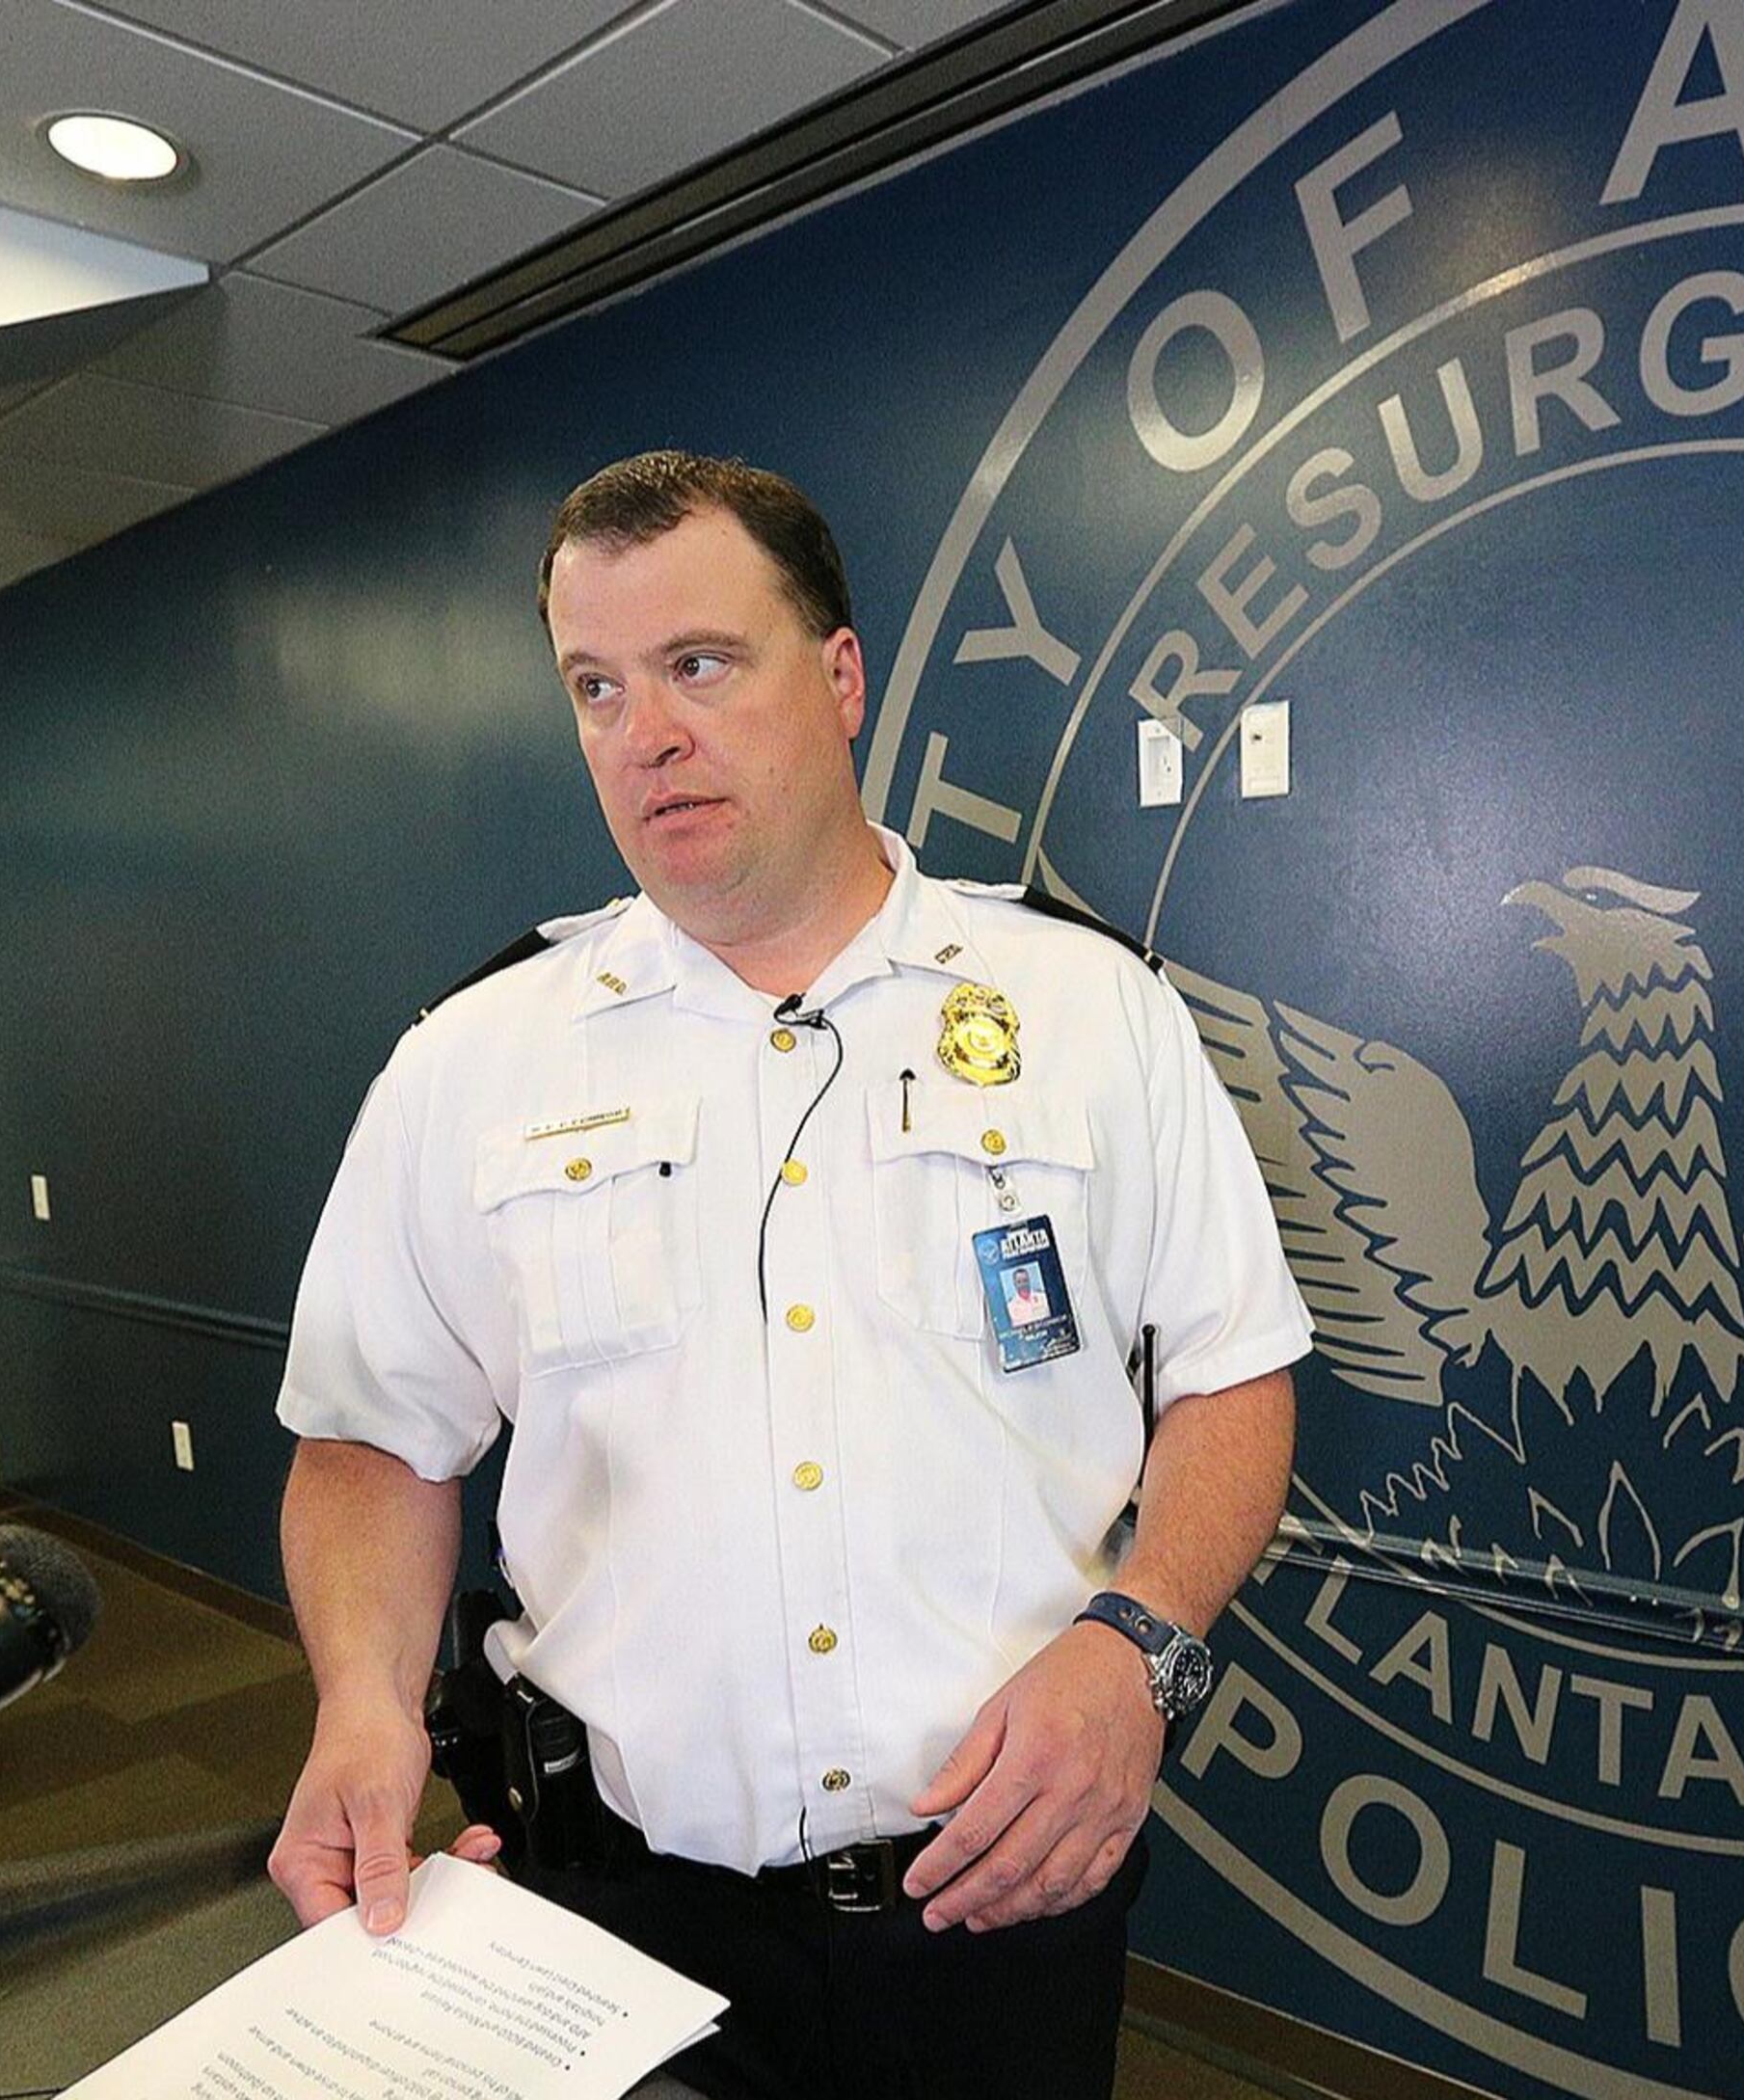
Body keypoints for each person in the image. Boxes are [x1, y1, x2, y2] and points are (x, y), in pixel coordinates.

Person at [269, 451, 1308, 2100]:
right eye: (595, 687)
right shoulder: (472, 1059)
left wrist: (1145, 1641)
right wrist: (359, 1697)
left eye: (698, 664)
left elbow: (1232, 1373)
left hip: (1001, 1886)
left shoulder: (1089, 1008)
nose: (646, 732)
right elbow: (371, 1445)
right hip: (614, 1916)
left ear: (837, 679)